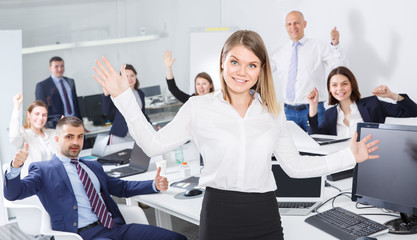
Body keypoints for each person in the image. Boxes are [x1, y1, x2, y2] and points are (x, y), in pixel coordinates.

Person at [93, 30, 379, 240]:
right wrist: (125, 99)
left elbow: (295, 166)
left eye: (252, 65)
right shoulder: (198, 107)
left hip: (264, 214)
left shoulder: (272, 111)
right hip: (219, 213)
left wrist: (348, 157)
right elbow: (154, 145)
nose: (242, 72)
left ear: (260, 70)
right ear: (222, 62)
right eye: (234, 62)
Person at [3, 116, 186, 240]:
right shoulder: (43, 170)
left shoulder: (92, 165)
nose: (76, 142)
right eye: (69, 137)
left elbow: (121, 187)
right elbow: (13, 194)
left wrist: (153, 185)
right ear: (57, 140)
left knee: (177, 238)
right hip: (84, 235)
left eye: (80, 136)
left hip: (115, 228)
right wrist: (15, 169)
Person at [270, 10, 347, 131]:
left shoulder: (318, 47)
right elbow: (260, 72)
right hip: (287, 111)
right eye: (289, 24)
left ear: (304, 24)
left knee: (317, 146)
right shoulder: (278, 53)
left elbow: (340, 69)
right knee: (290, 149)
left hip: (314, 109)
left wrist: (335, 45)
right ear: (286, 27)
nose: (293, 27)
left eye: (297, 23)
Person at [307, 66, 417, 137]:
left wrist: (392, 95)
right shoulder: (329, 114)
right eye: (334, 85)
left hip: (369, 164)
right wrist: (313, 105)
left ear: (352, 86)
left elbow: (414, 112)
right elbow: (315, 137)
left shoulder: (373, 104)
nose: (339, 88)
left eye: (344, 84)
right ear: (330, 90)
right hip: (341, 167)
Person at [9, 93, 57, 177]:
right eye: (37, 114)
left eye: (44, 115)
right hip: (34, 182)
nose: (41, 118)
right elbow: (13, 138)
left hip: (53, 179)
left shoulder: (52, 133)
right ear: (28, 114)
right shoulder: (23, 134)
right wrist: (17, 107)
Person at [102, 64, 151, 144]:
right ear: (122, 79)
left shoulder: (140, 93)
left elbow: (143, 115)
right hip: (120, 136)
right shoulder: (117, 92)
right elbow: (106, 111)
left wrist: (152, 127)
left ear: (136, 76)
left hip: (137, 136)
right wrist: (106, 94)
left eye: (132, 75)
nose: (129, 79)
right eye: (126, 76)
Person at [35, 56, 82, 128]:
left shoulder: (70, 81)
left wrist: (82, 124)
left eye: (62, 66)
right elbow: (41, 109)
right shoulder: (42, 85)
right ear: (50, 68)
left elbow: (76, 104)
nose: (60, 69)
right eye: (56, 66)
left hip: (75, 121)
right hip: (56, 125)